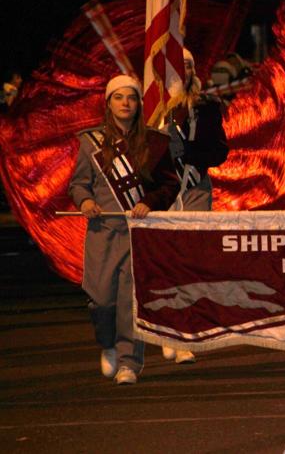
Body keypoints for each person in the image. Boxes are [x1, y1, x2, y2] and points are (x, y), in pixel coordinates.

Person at [68, 75, 180, 385]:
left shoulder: (156, 142)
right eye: (118, 98)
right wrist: (86, 200)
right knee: (102, 300)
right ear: (108, 104)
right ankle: (108, 344)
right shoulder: (90, 142)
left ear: (139, 104)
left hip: (137, 231)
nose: (125, 103)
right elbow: (78, 184)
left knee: (132, 300)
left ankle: (130, 362)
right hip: (103, 231)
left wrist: (149, 202)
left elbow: (171, 184)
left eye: (131, 97)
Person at [160, 49, 229, 362]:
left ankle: (184, 333)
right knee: (164, 261)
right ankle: (165, 330)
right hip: (160, 192)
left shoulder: (207, 106)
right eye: (178, 63)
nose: (184, 69)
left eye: (189, 63)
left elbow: (218, 151)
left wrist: (190, 154)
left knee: (191, 261)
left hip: (196, 187)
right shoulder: (150, 105)